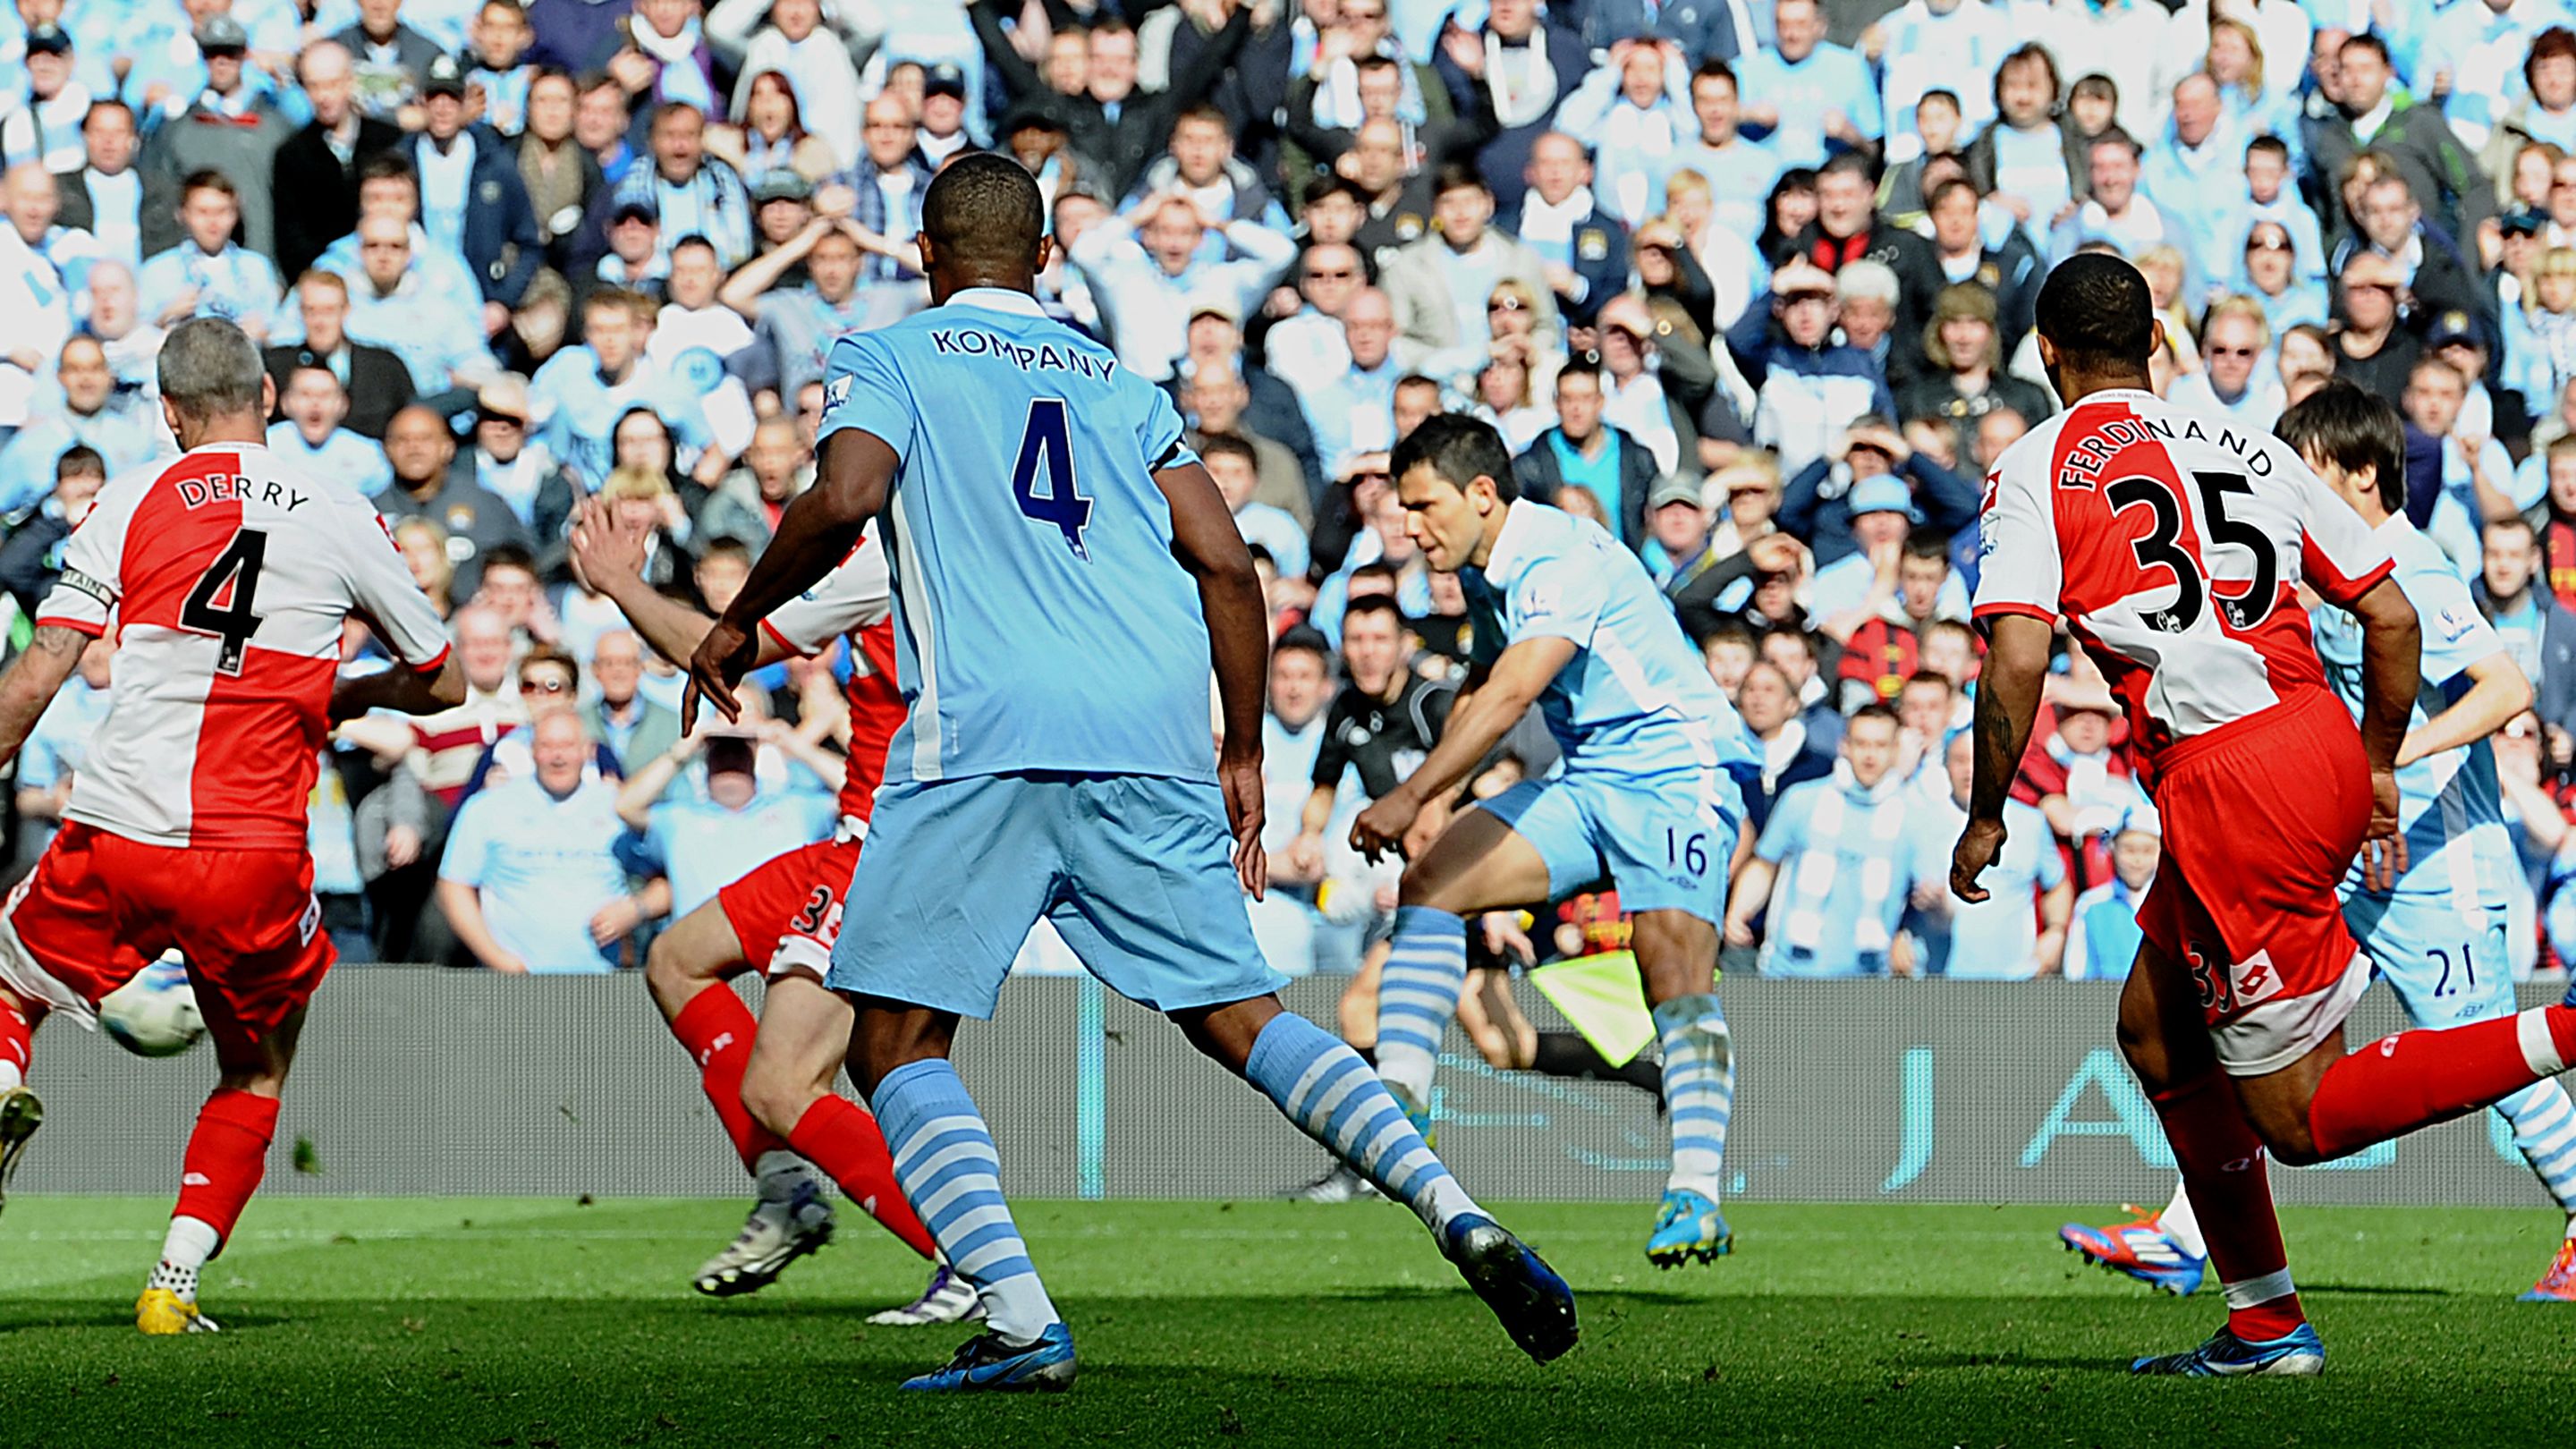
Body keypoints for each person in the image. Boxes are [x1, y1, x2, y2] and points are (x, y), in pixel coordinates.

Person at [679, 154, 1575, 1390]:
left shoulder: (890, 353)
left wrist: (737, 618)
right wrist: (1245, 747)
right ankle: (1453, 1210)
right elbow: (1224, 559)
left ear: (928, 259)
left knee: (890, 1043)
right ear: (1047, 259)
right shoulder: (1118, 380)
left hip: (990, 732)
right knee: (1245, 1017)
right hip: (1153, 737)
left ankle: (1019, 1318)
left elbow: (847, 492)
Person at [1954, 254, 2576, 1376]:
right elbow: (2391, 619)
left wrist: (1987, 817)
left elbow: (2014, 661)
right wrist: (2375, 764)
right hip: (2317, 745)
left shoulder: (2034, 469)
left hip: (2231, 779)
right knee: (2152, 1027)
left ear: (2046, 352)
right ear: (2155, 340)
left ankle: (2573, 1030)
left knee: (2298, 1118)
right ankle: (2262, 1321)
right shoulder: (2251, 448)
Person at [2061, 379, 2576, 1305]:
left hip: (2434, 855)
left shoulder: (2408, 566)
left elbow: (2506, 689)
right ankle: (2189, 1236)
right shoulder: (2316, 567)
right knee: (2263, 1039)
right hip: (2339, 848)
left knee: (2474, 1045)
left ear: (2366, 475)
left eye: (2310, 469)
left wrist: (2393, 757)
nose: (2288, 486)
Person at [0, 316, 462, 1334]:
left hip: (119, 825)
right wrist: (350, 694)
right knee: (256, 1064)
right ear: (266, 393)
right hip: (254, 850)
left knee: (9, 979)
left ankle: (1, 1079)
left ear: (167, 413)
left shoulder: (130, 496)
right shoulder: (341, 510)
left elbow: (43, 670)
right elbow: (446, 679)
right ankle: (173, 1284)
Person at [1332, 410, 1758, 1268]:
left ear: (1482, 495)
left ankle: (1696, 1193)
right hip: (1595, 776)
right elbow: (1483, 678)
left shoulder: (1557, 554)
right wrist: (1434, 809)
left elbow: (1515, 693)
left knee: (1667, 964)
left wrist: (1416, 789)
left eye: (1424, 507)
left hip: (1681, 769)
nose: (1411, 528)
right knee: (1433, 882)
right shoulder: (1488, 568)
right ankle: (1403, 1101)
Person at [563, 497, 970, 1323]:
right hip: (869, 835)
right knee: (677, 959)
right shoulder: (992, 549)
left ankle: (968, 1259)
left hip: (885, 846)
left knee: (784, 1086)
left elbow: (715, 652)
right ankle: (788, 1189)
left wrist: (618, 584)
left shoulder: (890, 553)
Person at [1726, 704, 1945, 977]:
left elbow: (1935, 902)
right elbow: (1765, 865)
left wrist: (1928, 910)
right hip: (1788, 970)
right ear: (1844, 745)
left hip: (1867, 977)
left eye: (1880, 745)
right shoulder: (1802, 800)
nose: (1869, 755)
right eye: (1861, 743)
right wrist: (1738, 911)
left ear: (1895, 750)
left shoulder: (1913, 818)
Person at [435, 707, 641, 974]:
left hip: (601, 979)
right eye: (547, 746)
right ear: (532, 751)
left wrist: (635, 910)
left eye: (567, 745)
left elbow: (664, 882)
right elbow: (453, 886)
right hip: (516, 981)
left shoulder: (618, 807)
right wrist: (497, 958)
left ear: (587, 751)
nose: (557, 757)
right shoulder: (487, 807)